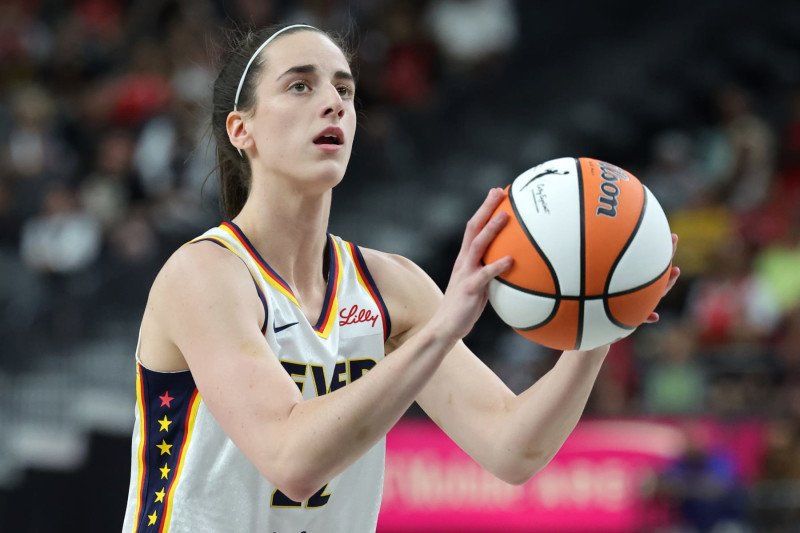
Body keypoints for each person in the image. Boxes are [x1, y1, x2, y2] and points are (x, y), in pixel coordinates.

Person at [121, 23, 680, 532]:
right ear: (242, 129)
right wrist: (443, 331)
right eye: (300, 86)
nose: (332, 104)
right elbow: (292, 460)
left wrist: (599, 321)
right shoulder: (205, 274)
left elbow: (514, 449)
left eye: (344, 90)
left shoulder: (391, 286)